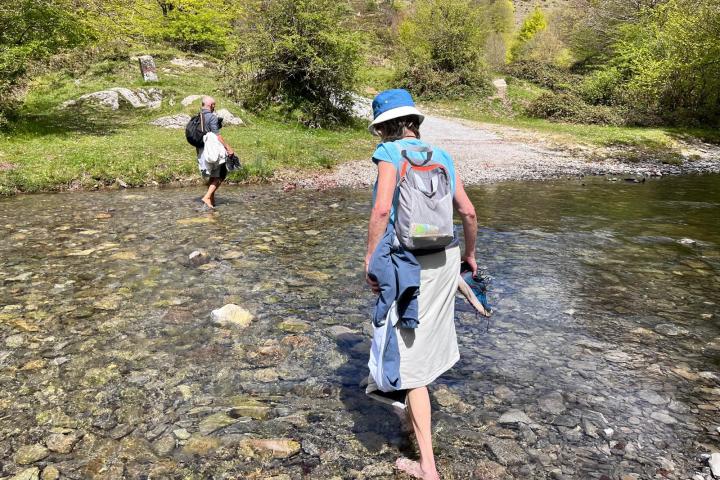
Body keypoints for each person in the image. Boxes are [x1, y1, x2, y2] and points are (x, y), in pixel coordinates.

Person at [364, 89, 478, 480]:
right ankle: (410, 410)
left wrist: (369, 259)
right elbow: (469, 211)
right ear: (414, 122)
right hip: (445, 256)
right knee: (422, 340)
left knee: (409, 361)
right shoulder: (442, 155)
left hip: (407, 263)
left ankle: (427, 466)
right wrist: (470, 256)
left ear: (383, 127)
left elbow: (381, 209)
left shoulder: (389, 155)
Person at [197, 96, 234, 209]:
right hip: (213, 151)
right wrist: (228, 148)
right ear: (210, 105)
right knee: (221, 174)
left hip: (202, 151)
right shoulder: (212, 117)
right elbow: (217, 136)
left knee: (213, 176)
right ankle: (207, 197)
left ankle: (211, 203)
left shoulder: (198, 117)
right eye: (214, 105)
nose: (214, 107)